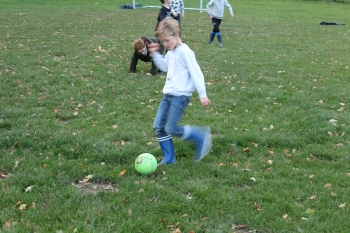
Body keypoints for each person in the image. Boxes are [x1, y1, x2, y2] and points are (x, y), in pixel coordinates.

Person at [148, 18, 212, 166]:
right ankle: (169, 158)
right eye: (162, 42)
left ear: (176, 35)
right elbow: (164, 67)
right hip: (168, 95)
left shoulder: (185, 52)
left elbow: (197, 73)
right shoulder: (171, 51)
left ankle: (200, 136)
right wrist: (156, 54)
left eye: (167, 41)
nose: (165, 44)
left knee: (171, 128)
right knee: (159, 126)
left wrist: (203, 95)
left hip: (180, 97)